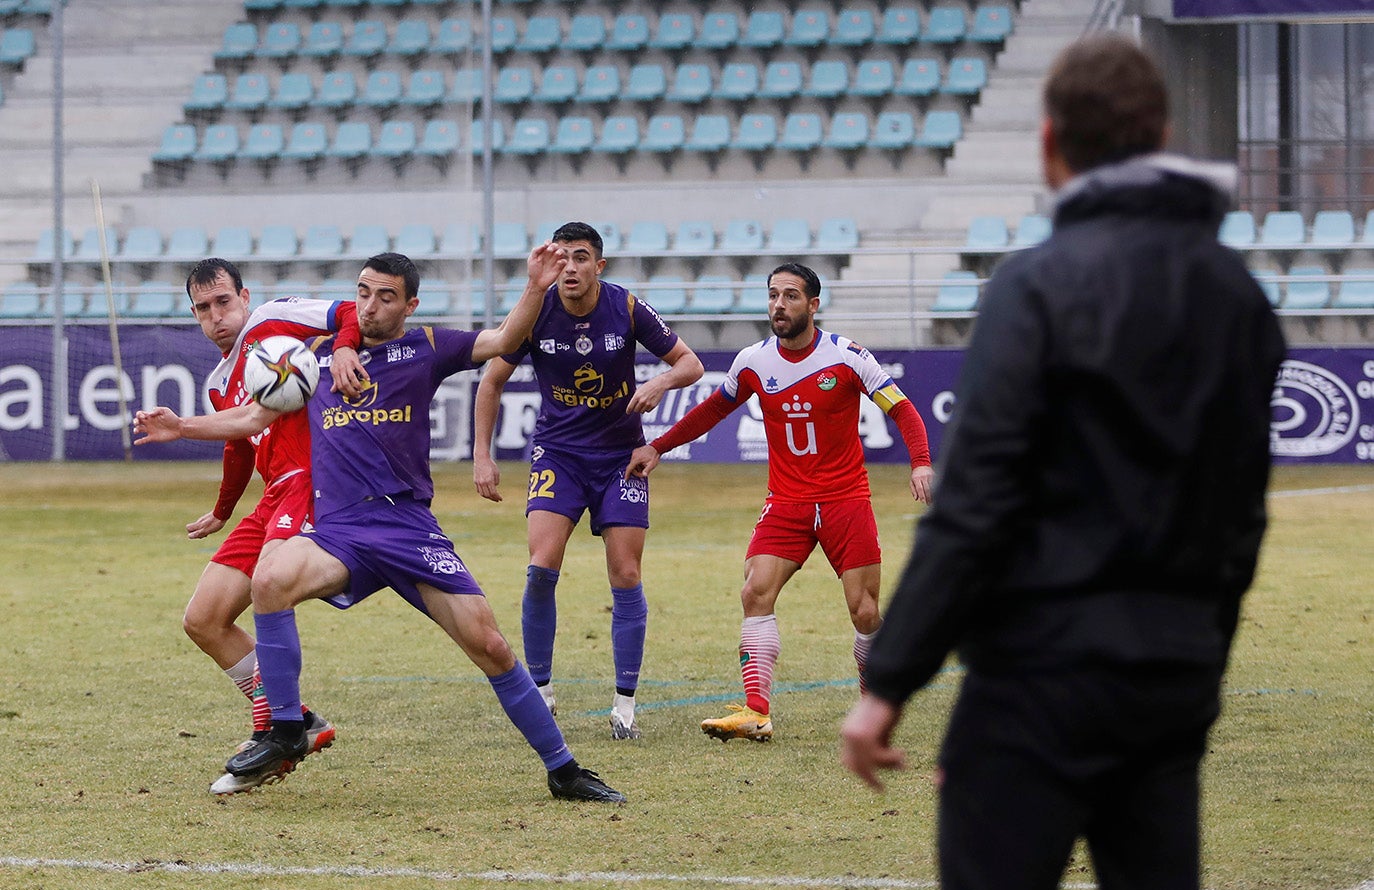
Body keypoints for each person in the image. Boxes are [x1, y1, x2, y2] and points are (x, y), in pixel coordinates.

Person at [839, 35, 1285, 890]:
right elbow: (1242, 519)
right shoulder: (1238, 298)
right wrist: (1199, 660)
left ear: (1049, 146)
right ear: (1161, 131)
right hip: (1168, 681)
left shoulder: (1033, 287)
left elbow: (976, 506)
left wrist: (890, 681)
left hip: (1033, 684)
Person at [135, 249, 625, 803]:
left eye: (385, 295)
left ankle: (563, 770)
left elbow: (503, 341)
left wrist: (535, 288)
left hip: (407, 528)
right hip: (340, 530)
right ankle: (287, 729)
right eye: (363, 292)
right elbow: (253, 418)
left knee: (489, 644)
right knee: (270, 576)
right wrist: (182, 426)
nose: (369, 305)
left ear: (410, 304)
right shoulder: (311, 359)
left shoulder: (428, 347)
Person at [625, 262, 934, 743]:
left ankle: (876, 710)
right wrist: (657, 447)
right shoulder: (753, 361)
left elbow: (903, 409)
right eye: (773, 295)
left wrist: (920, 462)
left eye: (791, 296)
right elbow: (712, 410)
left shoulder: (847, 356)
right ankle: (756, 711)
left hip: (845, 500)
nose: (779, 305)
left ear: (813, 305)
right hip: (787, 502)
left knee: (865, 611)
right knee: (755, 592)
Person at [471, 221, 704, 740]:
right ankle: (542, 692)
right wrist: (482, 455)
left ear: (599, 266)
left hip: (621, 457)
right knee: (540, 567)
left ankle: (624, 706)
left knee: (625, 573)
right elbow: (491, 382)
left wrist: (660, 381)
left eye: (581, 258)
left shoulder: (625, 307)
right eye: (562, 258)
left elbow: (691, 363)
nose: (570, 268)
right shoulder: (536, 312)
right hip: (559, 455)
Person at [174, 257, 367, 795]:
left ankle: (275, 731)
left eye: (224, 302)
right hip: (270, 497)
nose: (217, 316)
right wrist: (223, 509)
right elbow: (237, 445)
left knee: (269, 588)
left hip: (312, 482)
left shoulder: (272, 322)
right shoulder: (218, 381)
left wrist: (346, 345)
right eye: (203, 309)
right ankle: (300, 720)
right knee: (203, 619)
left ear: (245, 297)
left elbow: (347, 309)